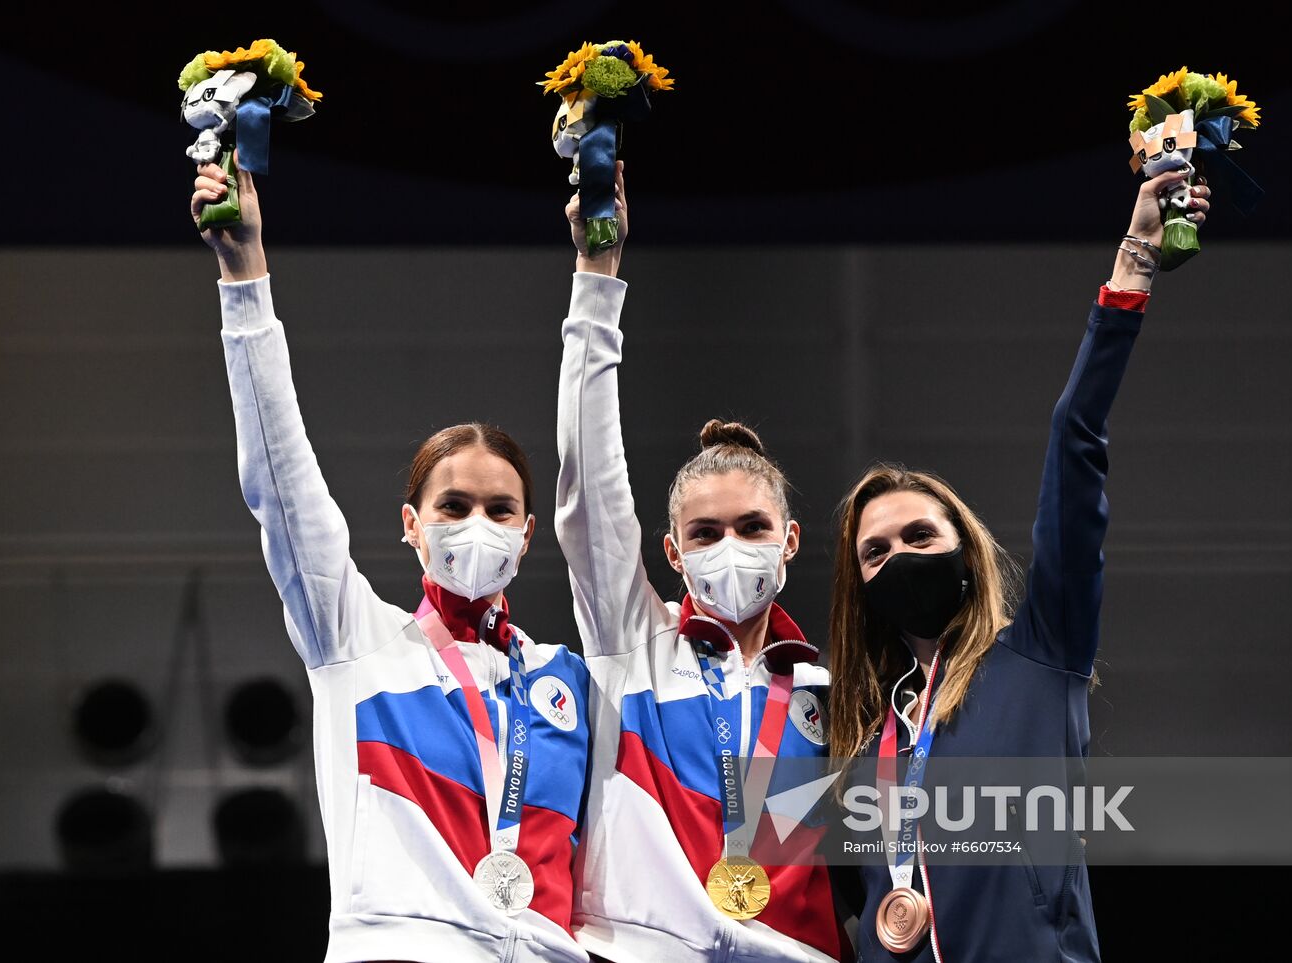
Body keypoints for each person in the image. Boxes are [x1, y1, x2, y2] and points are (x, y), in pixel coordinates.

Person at [191, 153, 592, 962]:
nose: (476, 524)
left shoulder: (570, 681)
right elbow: (280, 478)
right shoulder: (357, 642)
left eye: (499, 508)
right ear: (412, 525)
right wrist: (245, 281)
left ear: (528, 532)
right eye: (453, 506)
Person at [826, 167, 1210, 961]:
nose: (899, 556)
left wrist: (1134, 262)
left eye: (920, 537)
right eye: (876, 551)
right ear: (858, 588)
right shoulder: (860, 747)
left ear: (965, 550)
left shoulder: (1041, 651)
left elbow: (1076, 442)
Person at [554, 163, 849, 962]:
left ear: (789, 542)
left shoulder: (834, 688)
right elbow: (590, 493)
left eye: (752, 525)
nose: (731, 546)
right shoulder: (636, 645)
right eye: (707, 531)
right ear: (672, 552)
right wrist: (596, 276)